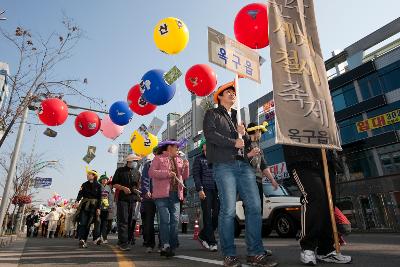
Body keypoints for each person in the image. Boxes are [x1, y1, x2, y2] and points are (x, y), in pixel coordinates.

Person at [203, 81, 278, 267]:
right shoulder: (212, 114)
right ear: (219, 97)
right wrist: (233, 141)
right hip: (223, 165)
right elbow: (210, 135)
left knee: (254, 207)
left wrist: (243, 137)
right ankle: (229, 253)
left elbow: (243, 145)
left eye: (233, 92)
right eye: (227, 92)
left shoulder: (238, 118)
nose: (232, 94)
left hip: (244, 166)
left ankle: (255, 252)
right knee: (228, 210)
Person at [283, 145, 352, 265]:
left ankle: (326, 250)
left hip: (325, 159)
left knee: (329, 203)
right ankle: (308, 247)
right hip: (300, 160)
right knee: (315, 197)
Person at [149, 139, 189, 258]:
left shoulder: (179, 160)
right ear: (169, 147)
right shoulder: (158, 158)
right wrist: (167, 173)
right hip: (161, 195)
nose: (178, 149)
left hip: (175, 194)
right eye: (176, 147)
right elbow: (151, 173)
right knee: (165, 220)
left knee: (175, 221)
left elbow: (185, 176)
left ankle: (172, 245)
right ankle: (165, 245)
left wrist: (186, 167)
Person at [193, 138, 219, 252]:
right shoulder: (198, 159)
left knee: (217, 215)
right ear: (203, 147)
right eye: (206, 144)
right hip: (205, 190)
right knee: (207, 216)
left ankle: (203, 235)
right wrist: (200, 189)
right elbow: (196, 176)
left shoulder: (216, 159)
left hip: (216, 190)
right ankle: (212, 242)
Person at [112, 154, 142, 251]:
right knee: (123, 220)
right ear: (128, 161)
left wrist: (137, 190)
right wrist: (123, 188)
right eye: (133, 160)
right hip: (122, 199)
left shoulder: (137, 172)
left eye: (135, 160)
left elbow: (138, 185)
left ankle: (123, 241)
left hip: (133, 199)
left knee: (130, 221)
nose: (134, 162)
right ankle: (123, 243)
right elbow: (114, 184)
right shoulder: (120, 170)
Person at [75, 168, 102, 248]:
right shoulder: (84, 184)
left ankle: (96, 239)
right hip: (84, 206)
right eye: (87, 174)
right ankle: (82, 240)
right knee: (83, 223)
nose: (87, 175)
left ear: (94, 176)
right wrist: (77, 201)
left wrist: (98, 208)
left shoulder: (98, 185)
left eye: (89, 174)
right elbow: (80, 193)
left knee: (91, 223)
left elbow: (100, 197)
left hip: (94, 207)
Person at [141, 149, 159, 253]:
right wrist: (147, 190)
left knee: (163, 221)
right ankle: (150, 244)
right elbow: (145, 179)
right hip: (149, 197)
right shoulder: (148, 164)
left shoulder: (165, 163)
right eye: (157, 152)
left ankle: (163, 243)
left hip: (161, 196)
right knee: (149, 222)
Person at [94, 173, 113, 244]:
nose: (105, 180)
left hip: (106, 208)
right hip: (99, 207)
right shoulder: (98, 186)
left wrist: (110, 206)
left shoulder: (108, 187)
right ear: (101, 180)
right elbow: (97, 197)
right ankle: (96, 238)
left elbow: (110, 198)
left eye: (106, 179)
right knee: (98, 223)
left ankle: (104, 237)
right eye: (103, 179)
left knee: (104, 224)